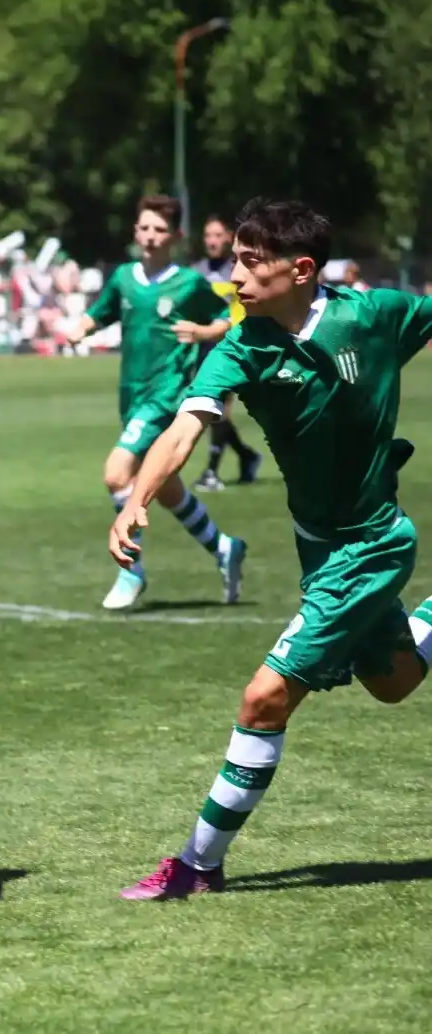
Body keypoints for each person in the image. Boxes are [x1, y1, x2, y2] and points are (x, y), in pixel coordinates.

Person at [111, 198, 432, 900]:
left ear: (301, 270)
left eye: (250, 264)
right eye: (233, 262)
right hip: (318, 547)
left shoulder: (373, 315)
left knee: (263, 698)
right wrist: (137, 497)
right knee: (394, 683)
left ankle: (196, 865)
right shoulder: (241, 344)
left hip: (371, 545)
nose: (234, 276)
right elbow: (184, 429)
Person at [64, 195, 248, 611]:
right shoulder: (125, 278)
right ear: (135, 232)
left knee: (117, 473)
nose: (150, 236)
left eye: (159, 230)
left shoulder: (188, 283)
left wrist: (203, 333)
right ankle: (224, 547)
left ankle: (131, 570)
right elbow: (102, 312)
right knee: (165, 488)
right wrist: (81, 327)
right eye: (144, 228)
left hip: (167, 394)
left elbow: (227, 320)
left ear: (177, 237)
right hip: (132, 393)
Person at [191, 215, 263, 492]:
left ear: (229, 237)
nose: (212, 241)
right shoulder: (196, 272)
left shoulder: (240, 269)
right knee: (214, 413)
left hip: (237, 346)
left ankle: (211, 472)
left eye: (218, 235)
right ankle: (246, 456)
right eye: (208, 235)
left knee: (217, 410)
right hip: (205, 349)